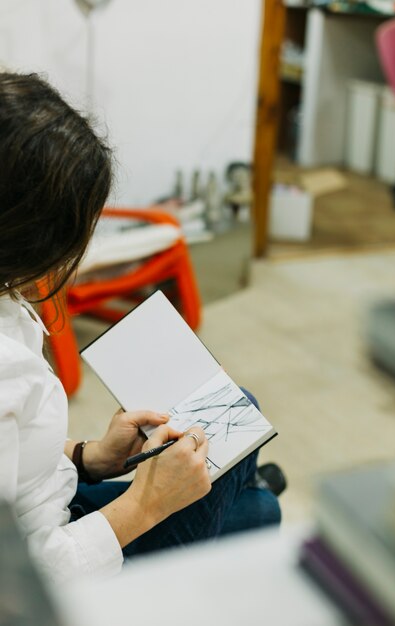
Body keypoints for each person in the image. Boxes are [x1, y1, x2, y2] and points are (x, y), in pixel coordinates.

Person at [0, 72, 281, 584]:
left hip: (49, 502)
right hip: (49, 567)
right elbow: (16, 585)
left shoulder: (7, 302)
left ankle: (245, 489)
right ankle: (245, 488)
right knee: (249, 474)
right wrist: (148, 503)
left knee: (254, 502)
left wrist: (91, 457)